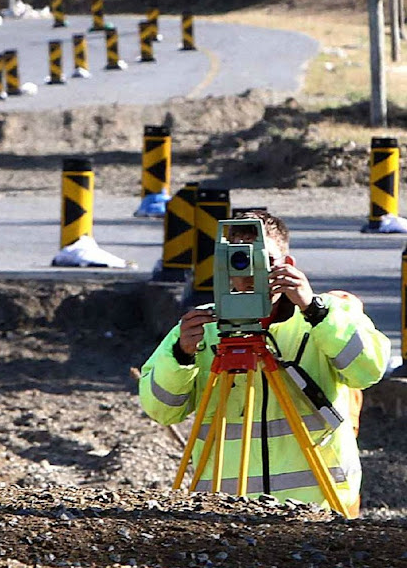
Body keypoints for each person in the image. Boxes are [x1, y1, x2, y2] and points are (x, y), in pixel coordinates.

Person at [139, 210, 390, 516]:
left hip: (319, 504)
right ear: (223, 266)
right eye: (239, 260)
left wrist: (315, 312)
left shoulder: (328, 314)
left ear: (288, 266)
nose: (251, 273)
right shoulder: (201, 327)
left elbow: (370, 369)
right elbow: (160, 409)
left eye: (265, 261)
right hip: (226, 509)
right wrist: (181, 355)